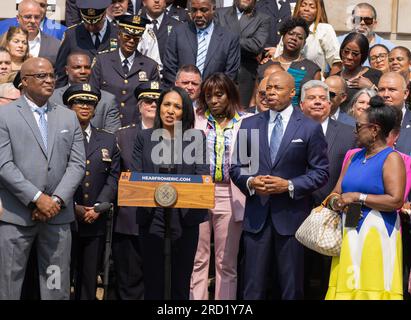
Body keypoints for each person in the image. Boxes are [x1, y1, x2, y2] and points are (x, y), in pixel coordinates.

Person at [230, 71, 329, 300]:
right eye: (268, 88)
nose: (270, 92)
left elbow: (321, 172)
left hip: (291, 218)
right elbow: (238, 168)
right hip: (257, 218)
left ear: (292, 93)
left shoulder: (308, 127)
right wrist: (251, 182)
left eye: (277, 88)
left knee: (291, 287)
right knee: (252, 287)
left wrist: (289, 185)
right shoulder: (250, 125)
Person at [0, 57, 86, 300]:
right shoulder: (4, 116)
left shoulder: (68, 117)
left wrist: (55, 201)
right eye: (41, 76)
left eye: (51, 75)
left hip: (57, 218)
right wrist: (37, 198)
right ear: (24, 82)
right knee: (9, 286)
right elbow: (4, 165)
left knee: (56, 284)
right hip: (16, 216)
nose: (49, 80)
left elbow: (77, 164)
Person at [131, 87, 209, 299]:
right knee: (153, 280)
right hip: (151, 215)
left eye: (177, 106)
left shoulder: (196, 138)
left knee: (180, 282)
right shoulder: (144, 138)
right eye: (166, 104)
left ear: (185, 112)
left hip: (184, 216)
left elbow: (202, 176)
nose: (170, 110)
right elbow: (136, 176)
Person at [325, 96, 405, 300]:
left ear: (375, 129)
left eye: (359, 126)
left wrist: (358, 197)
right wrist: (337, 201)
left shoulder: (391, 158)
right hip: (350, 232)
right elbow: (336, 192)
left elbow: (395, 200)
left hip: (377, 235)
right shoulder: (354, 156)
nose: (354, 130)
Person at [190, 73, 249, 300]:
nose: (214, 100)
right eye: (209, 96)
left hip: (229, 193)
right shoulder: (195, 120)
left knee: (226, 261)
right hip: (199, 191)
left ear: (230, 94)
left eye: (219, 95)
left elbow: (249, 163)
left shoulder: (246, 121)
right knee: (198, 258)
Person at [62, 84, 120, 300]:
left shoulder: (107, 139)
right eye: (79, 102)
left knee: (88, 279)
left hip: (95, 217)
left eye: (90, 103)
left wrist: (98, 206)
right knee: (61, 276)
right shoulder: (60, 135)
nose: (85, 106)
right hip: (66, 217)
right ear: (69, 105)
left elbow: (113, 177)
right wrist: (72, 206)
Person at [299, 80, 356, 299]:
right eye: (312, 98)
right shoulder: (291, 129)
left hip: (333, 214)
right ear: (302, 104)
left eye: (323, 98)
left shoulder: (348, 133)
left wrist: (334, 200)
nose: (318, 102)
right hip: (295, 210)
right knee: (296, 274)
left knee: (327, 276)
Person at [113, 80, 163, 300]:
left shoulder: (176, 135)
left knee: (158, 281)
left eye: (157, 101)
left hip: (161, 219)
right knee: (129, 280)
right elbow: (116, 175)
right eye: (148, 101)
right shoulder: (123, 135)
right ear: (140, 106)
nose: (153, 104)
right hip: (130, 219)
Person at [90, 15, 160, 126]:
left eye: (136, 38)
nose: (131, 41)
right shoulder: (101, 61)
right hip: (105, 126)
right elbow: (92, 95)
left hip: (135, 128)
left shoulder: (150, 66)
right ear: (119, 35)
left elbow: (153, 102)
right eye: (127, 37)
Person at [162, 0, 240, 87]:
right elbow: (169, 68)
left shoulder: (229, 38)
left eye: (203, 10)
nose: (198, 15)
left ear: (213, 9)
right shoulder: (177, 32)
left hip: (212, 96)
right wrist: (183, 91)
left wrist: (210, 94)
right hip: (181, 95)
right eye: (194, 10)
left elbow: (230, 75)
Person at [214, 0, 271, 106]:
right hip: (217, 70)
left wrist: (227, 38)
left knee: (238, 116)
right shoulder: (219, 13)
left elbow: (256, 45)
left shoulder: (262, 19)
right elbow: (213, 39)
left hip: (244, 76)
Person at [49, 52, 121, 133]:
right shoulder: (52, 97)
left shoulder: (107, 100)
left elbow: (112, 136)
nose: (83, 71)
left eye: (87, 67)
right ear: (66, 70)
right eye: (77, 67)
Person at [259, 17, 321, 107]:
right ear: (283, 37)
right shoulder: (266, 65)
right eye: (290, 34)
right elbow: (255, 98)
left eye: (299, 37)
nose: (294, 38)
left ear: (304, 43)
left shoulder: (312, 70)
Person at [55, 0, 118, 87]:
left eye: (96, 23)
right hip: (79, 93)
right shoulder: (71, 35)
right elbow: (60, 72)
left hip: (109, 94)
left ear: (104, 15)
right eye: (87, 22)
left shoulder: (118, 34)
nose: (90, 26)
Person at [272, 0, 341, 75]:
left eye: (312, 6)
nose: (306, 9)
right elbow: (277, 59)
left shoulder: (324, 29)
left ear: (318, 10)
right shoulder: (289, 28)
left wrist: (330, 83)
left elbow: (337, 62)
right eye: (303, 5)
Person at [338, 2, 395, 66]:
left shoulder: (389, 48)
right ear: (352, 21)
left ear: (374, 23)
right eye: (357, 19)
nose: (362, 23)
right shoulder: (337, 43)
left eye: (367, 20)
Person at [337, 32, 382, 112]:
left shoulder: (376, 75)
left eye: (355, 54)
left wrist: (371, 88)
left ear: (363, 55)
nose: (349, 57)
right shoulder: (334, 78)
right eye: (346, 51)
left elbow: (385, 104)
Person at [14, 0, 60, 65]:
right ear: (18, 18)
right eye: (27, 17)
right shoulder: (4, 42)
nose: (33, 21)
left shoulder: (56, 45)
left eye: (37, 17)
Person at [0, 0, 66, 41]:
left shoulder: (61, 31)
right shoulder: (2, 26)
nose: (38, 9)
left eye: (42, 5)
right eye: (33, 3)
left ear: (46, 7)